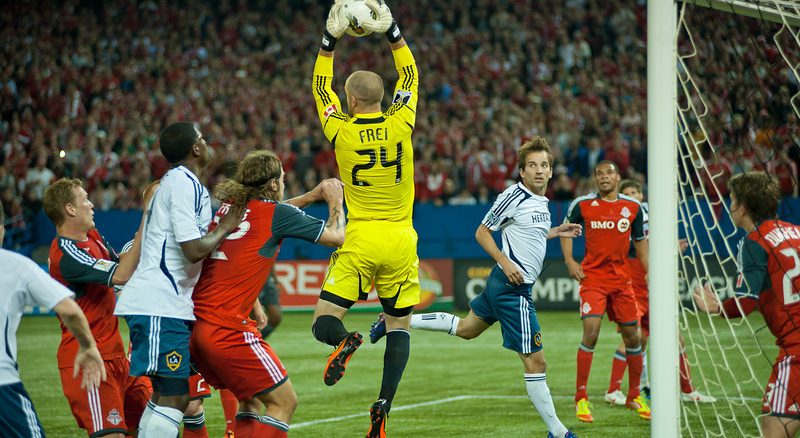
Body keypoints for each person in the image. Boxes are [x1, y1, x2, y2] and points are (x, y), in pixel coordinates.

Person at [370, 137, 581, 437]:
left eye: (544, 165)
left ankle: (392, 321)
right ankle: (558, 433)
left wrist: (556, 231)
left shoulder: (541, 202)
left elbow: (529, 234)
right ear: (522, 172)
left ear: (551, 171)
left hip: (503, 285)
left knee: (467, 329)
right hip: (511, 289)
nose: (538, 170)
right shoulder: (514, 195)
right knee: (537, 362)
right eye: (532, 165)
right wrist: (504, 261)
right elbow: (482, 232)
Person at [310, 1, 419, 435]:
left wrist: (328, 41)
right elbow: (411, 75)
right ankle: (383, 406)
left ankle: (346, 341)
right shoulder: (402, 122)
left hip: (359, 238)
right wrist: (391, 30)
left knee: (323, 322)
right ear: (384, 98)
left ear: (350, 100)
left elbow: (321, 88)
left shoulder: (340, 128)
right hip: (401, 239)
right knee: (398, 329)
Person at [191, 150, 345, 438]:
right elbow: (337, 237)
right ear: (273, 184)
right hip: (226, 327)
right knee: (284, 402)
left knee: (249, 398)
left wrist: (310, 197)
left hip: (196, 325)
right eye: (283, 179)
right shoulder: (274, 214)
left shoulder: (231, 207)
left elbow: (273, 215)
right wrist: (335, 201)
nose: (284, 184)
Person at [114, 121, 244, 436]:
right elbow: (191, 248)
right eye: (203, 138)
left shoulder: (178, 182)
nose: (207, 142)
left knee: (166, 397)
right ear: (196, 148)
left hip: (163, 303)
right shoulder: (184, 184)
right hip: (160, 303)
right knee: (175, 397)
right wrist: (225, 227)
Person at [42, 178, 154, 437]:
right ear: (70, 209)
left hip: (116, 358)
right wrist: (146, 218)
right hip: (89, 360)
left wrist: (143, 239)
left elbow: (121, 264)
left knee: (156, 422)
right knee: (112, 434)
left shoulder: (92, 236)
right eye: (84, 199)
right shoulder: (66, 253)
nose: (91, 204)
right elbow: (121, 275)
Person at [694, 171, 800, 438]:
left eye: (731, 200)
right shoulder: (796, 231)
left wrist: (718, 308)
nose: (729, 207)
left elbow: (746, 301)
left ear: (741, 207)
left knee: (774, 426)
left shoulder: (754, 242)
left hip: (797, 347)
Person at [0, 199, 106, 437]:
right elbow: (69, 309)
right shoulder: (16, 265)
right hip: (3, 385)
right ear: (2, 228)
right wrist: (89, 347)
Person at [603, 180, 715, 406]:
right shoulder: (620, 218)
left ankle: (686, 389)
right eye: (627, 193)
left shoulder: (649, 215)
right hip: (633, 281)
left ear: (642, 195)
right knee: (634, 338)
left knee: (675, 338)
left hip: (655, 282)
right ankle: (615, 390)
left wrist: (672, 246)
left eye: (635, 192)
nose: (632, 196)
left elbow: (653, 244)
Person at [561, 160, 650, 422]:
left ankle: (634, 396)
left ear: (618, 177)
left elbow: (641, 244)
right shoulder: (582, 205)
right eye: (598, 174)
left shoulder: (633, 208)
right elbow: (566, 231)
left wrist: (649, 272)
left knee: (633, 337)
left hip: (622, 283)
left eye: (608, 173)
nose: (603, 177)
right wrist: (570, 262)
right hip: (593, 280)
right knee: (591, 333)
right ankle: (581, 399)